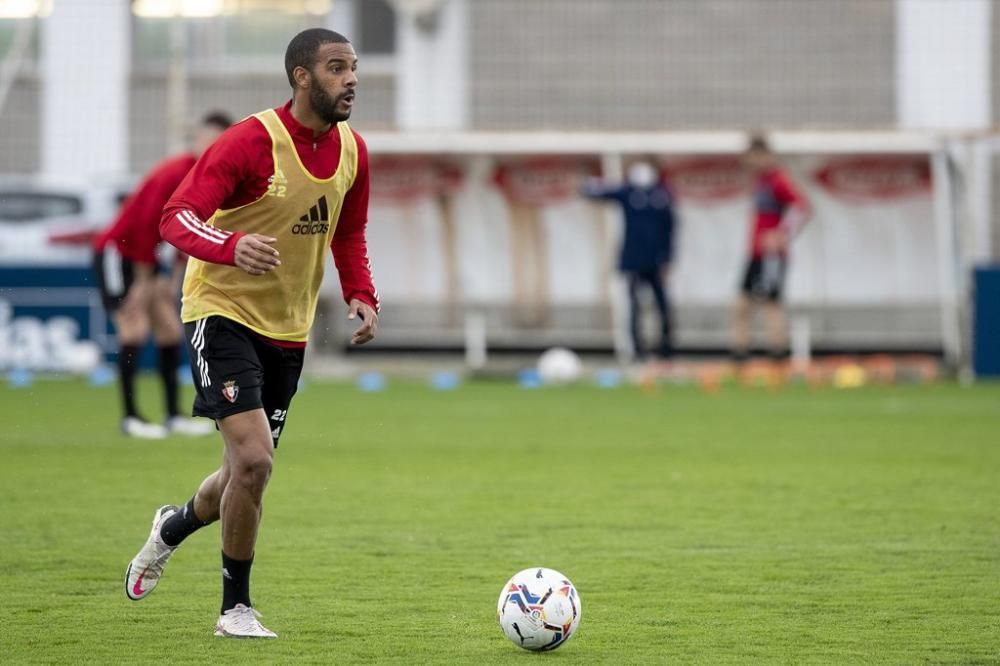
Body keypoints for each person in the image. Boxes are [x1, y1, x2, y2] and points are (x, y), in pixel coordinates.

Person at [123, 28, 379, 638]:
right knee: (256, 461)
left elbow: (348, 232)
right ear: (301, 76)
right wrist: (233, 247)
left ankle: (172, 526)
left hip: (289, 331)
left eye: (354, 68)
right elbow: (175, 217)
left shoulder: (353, 151)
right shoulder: (250, 141)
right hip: (221, 311)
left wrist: (362, 295)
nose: (351, 80)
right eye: (337, 68)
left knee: (243, 475)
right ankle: (234, 609)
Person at [93, 112, 233, 439]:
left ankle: (172, 415)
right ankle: (130, 418)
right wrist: (142, 285)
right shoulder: (174, 172)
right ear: (198, 140)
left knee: (169, 330)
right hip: (120, 253)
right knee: (135, 328)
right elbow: (144, 226)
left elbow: (188, 231)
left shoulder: (210, 177)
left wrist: (169, 281)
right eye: (208, 139)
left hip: (150, 260)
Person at [584, 159, 677, 360]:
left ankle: (666, 348)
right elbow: (602, 193)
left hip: (656, 261)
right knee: (634, 305)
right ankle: (637, 349)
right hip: (633, 260)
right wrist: (587, 186)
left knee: (662, 305)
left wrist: (668, 257)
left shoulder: (662, 196)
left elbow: (670, 229)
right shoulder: (629, 193)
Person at [731, 134, 811, 363]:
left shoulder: (778, 179)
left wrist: (782, 234)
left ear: (763, 155)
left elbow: (802, 207)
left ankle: (778, 359)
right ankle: (740, 357)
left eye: (751, 156)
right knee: (741, 305)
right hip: (755, 254)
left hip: (771, 256)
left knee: (771, 304)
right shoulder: (761, 181)